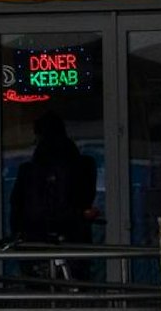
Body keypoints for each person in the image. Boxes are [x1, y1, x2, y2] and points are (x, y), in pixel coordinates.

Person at [9, 111, 99, 278]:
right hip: (73, 233)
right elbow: (85, 197)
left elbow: (17, 205)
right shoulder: (80, 164)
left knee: (40, 284)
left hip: (37, 235)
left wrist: (18, 233)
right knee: (78, 279)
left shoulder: (32, 169)